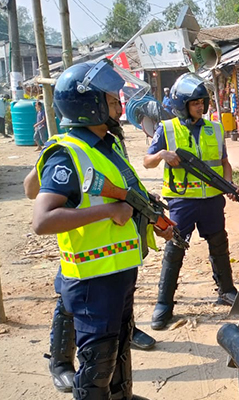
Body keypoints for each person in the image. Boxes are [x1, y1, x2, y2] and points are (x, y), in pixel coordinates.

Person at [32, 59, 171, 399]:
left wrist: (152, 216)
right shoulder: (69, 154)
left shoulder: (108, 144)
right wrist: (110, 210)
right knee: (98, 365)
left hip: (119, 271)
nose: (118, 104)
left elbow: (128, 193)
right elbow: (42, 219)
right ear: (88, 105)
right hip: (92, 279)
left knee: (119, 351)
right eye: (110, 99)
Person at [144, 72, 238, 330]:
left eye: (202, 102)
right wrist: (163, 154)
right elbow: (147, 161)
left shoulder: (215, 129)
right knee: (175, 249)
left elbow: (224, 163)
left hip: (212, 200)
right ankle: (164, 303)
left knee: (219, 243)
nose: (200, 106)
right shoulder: (167, 129)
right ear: (182, 105)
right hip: (182, 201)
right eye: (195, 102)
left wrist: (229, 184)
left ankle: (226, 290)